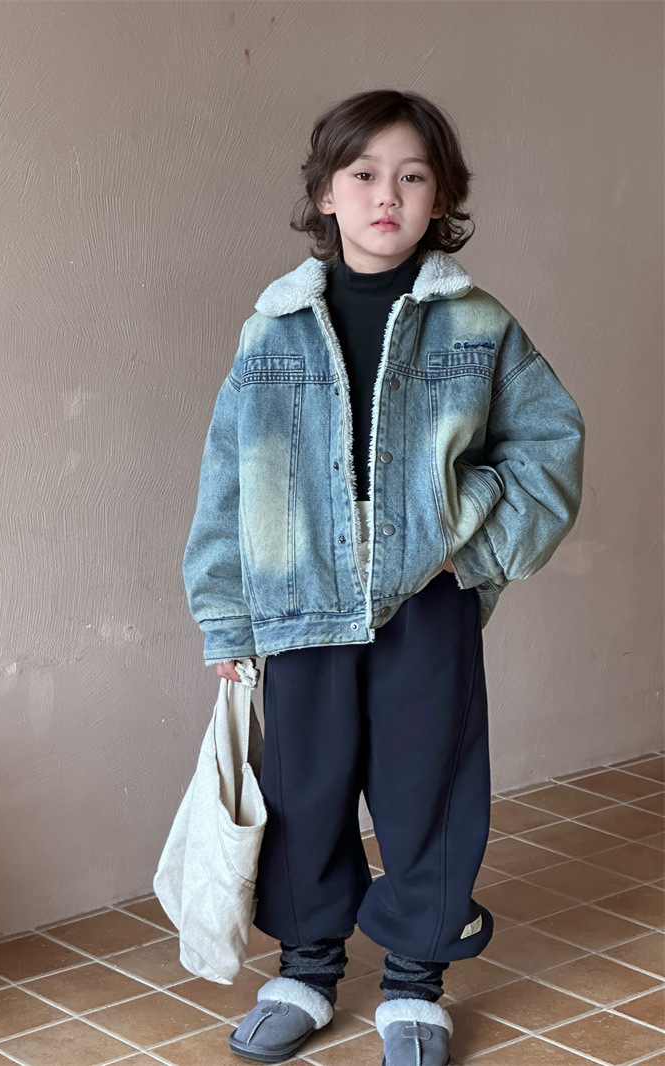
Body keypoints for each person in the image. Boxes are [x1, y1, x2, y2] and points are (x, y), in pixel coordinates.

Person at [182, 89, 585, 1066]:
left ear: (440, 195)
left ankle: (414, 980)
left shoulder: (477, 323)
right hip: (300, 603)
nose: (386, 196)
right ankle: (307, 969)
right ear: (326, 192)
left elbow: (550, 445)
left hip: (425, 605)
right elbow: (228, 483)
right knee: (304, 787)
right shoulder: (271, 330)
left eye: (411, 176)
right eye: (362, 174)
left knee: (427, 788)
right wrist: (226, 621)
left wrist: (466, 544)